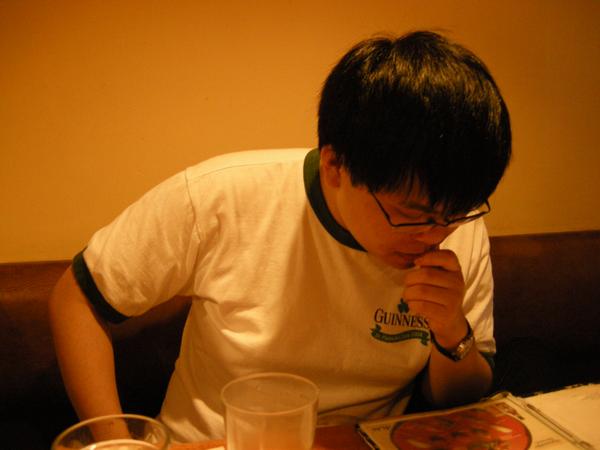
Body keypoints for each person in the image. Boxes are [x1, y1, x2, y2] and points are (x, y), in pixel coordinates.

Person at [49, 30, 511, 443]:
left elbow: (459, 399)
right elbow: (77, 298)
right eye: (411, 214)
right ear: (335, 166)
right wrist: (113, 441)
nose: (435, 233)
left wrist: (451, 330)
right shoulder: (221, 198)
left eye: (454, 214)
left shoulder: (459, 225)